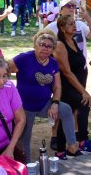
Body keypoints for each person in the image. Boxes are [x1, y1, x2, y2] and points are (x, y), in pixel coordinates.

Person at [11, 31, 79, 159]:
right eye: (42, 44)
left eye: (49, 46)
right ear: (35, 45)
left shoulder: (53, 63)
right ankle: (26, 166)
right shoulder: (24, 58)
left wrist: (55, 102)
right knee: (25, 138)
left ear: (52, 49)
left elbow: (57, 86)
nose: (45, 48)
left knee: (66, 110)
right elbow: (5, 69)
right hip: (24, 107)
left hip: (44, 104)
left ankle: (72, 146)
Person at [52, 14, 91, 156]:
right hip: (66, 86)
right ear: (62, 28)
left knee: (68, 114)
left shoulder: (73, 40)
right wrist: (83, 91)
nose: (74, 26)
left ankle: (61, 151)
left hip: (77, 82)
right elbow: (67, 71)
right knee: (84, 103)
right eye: (70, 24)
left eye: (74, 23)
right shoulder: (60, 45)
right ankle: (82, 141)